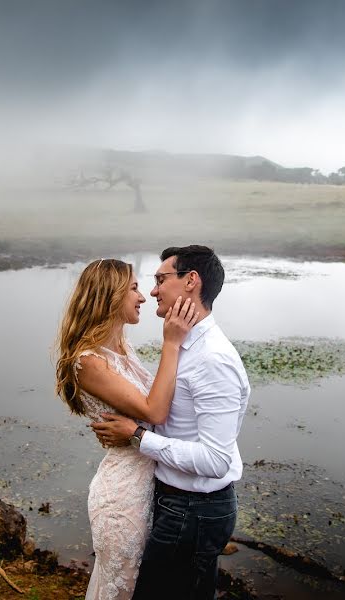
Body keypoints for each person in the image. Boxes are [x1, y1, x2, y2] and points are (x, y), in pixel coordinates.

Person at [91, 245, 251, 600]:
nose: (152, 291)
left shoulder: (212, 359)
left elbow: (215, 460)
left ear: (191, 281)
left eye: (160, 279)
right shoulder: (183, 345)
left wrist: (137, 436)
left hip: (194, 510)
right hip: (176, 504)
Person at [55, 258, 199, 600]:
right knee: (124, 589)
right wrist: (172, 342)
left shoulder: (120, 349)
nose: (143, 297)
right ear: (110, 295)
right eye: (134, 288)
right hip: (124, 497)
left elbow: (152, 406)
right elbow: (155, 410)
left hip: (150, 484)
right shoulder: (88, 362)